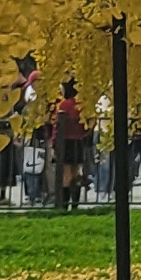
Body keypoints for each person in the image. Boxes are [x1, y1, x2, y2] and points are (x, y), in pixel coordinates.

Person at [47, 78, 92, 210]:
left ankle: (64, 203)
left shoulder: (63, 105)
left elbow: (57, 126)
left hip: (65, 140)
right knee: (76, 171)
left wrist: (54, 143)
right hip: (78, 140)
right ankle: (75, 203)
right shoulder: (82, 105)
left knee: (66, 174)